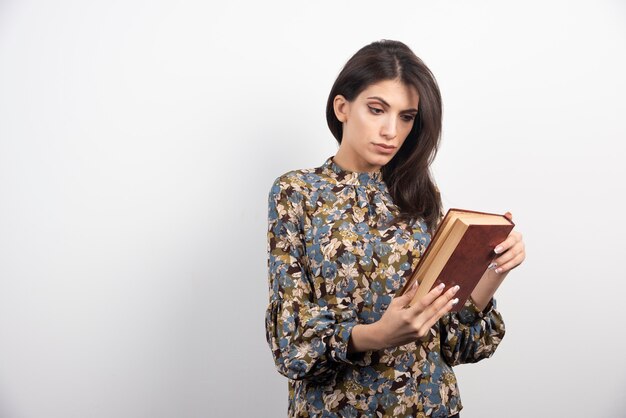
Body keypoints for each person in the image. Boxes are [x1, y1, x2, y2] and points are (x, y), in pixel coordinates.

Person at [264, 39, 526, 418]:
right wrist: (377, 335)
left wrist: (492, 270)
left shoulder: (418, 193)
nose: (391, 130)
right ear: (343, 108)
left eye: (406, 117)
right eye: (376, 109)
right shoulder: (296, 193)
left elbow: (457, 343)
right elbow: (290, 341)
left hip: (430, 406)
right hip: (336, 410)